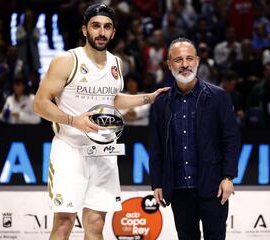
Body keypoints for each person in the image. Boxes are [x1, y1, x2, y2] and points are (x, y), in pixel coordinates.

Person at [32, 3, 169, 240]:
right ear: (85, 30)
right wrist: (73, 121)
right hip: (70, 149)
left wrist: (149, 97)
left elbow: (113, 99)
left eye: (107, 27)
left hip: (103, 150)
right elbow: (40, 104)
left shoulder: (116, 63)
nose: (101, 32)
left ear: (113, 32)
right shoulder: (67, 60)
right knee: (64, 222)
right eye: (96, 26)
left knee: (96, 225)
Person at [149, 37, 241, 240]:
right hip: (179, 188)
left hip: (213, 187)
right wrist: (157, 182)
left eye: (189, 59)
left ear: (197, 61)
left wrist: (228, 177)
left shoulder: (218, 97)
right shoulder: (161, 103)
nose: (185, 64)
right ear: (169, 64)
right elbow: (156, 147)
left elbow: (231, 140)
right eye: (178, 60)